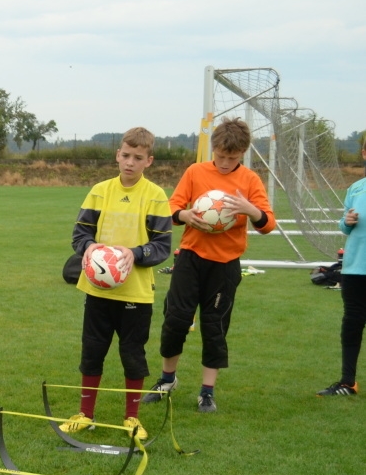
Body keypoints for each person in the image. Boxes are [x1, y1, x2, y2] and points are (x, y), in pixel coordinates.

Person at [142, 117, 276, 413]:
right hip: (190, 258)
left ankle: (207, 392)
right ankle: (166, 380)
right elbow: (170, 209)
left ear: (243, 153)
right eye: (220, 156)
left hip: (225, 265)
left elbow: (268, 225)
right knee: (176, 320)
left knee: (214, 327)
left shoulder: (250, 181)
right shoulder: (195, 172)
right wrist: (185, 215)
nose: (225, 162)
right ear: (213, 148)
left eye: (232, 157)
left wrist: (250, 210)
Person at [61, 128, 172, 441]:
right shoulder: (100, 190)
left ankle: (132, 418)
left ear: (148, 161)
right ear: (117, 155)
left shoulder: (155, 195)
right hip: (96, 291)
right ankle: (85, 415)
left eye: (138, 158)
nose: (130, 163)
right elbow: (79, 234)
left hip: (135, 293)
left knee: (132, 354)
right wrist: (90, 248)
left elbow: (162, 246)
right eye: (125, 155)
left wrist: (132, 253)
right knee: (92, 350)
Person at [317, 141, 366, 396]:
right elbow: (345, 227)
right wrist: (345, 221)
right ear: (364, 153)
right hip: (355, 268)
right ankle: (348, 382)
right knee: (352, 323)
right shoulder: (356, 189)